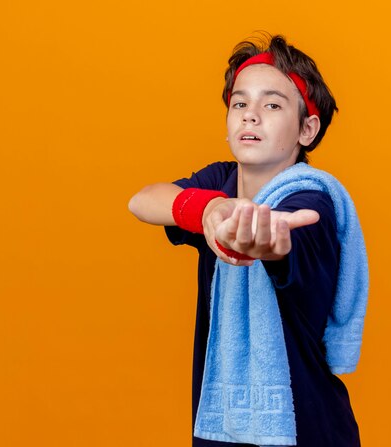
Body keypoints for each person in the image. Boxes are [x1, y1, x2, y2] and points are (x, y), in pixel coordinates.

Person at [129, 34, 368, 447]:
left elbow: (289, 241)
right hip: (221, 428)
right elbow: (143, 200)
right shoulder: (219, 183)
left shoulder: (312, 202)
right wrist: (207, 211)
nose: (250, 116)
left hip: (307, 429)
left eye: (272, 105)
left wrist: (267, 244)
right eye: (240, 103)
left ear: (307, 129)